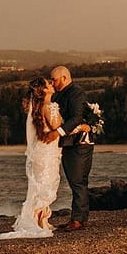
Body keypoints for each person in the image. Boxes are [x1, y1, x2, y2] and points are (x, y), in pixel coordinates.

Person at [0, 77, 87, 239]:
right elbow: (58, 129)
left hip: (40, 152)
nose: (52, 84)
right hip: (48, 154)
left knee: (38, 187)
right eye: (48, 83)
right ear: (43, 90)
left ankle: (40, 220)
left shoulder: (38, 108)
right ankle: (38, 223)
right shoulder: (49, 107)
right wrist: (82, 126)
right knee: (46, 188)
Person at [44, 65, 94, 231]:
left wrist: (57, 132)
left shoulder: (76, 92)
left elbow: (76, 117)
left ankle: (78, 220)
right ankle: (79, 218)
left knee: (77, 181)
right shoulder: (60, 94)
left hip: (78, 143)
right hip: (69, 143)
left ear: (64, 78)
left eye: (54, 79)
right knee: (77, 181)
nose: (52, 82)